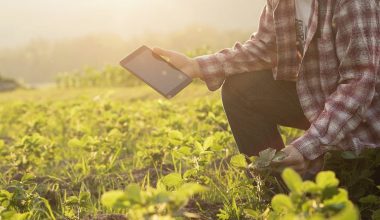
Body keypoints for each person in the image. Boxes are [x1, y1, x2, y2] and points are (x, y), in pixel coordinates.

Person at [153, 0, 380, 174]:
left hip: (366, 120)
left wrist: (309, 146)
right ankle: (275, 185)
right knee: (241, 88)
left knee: (356, 182)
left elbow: (359, 83)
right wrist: (197, 66)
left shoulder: (353, 3)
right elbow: (265, 47)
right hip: (319, 99)